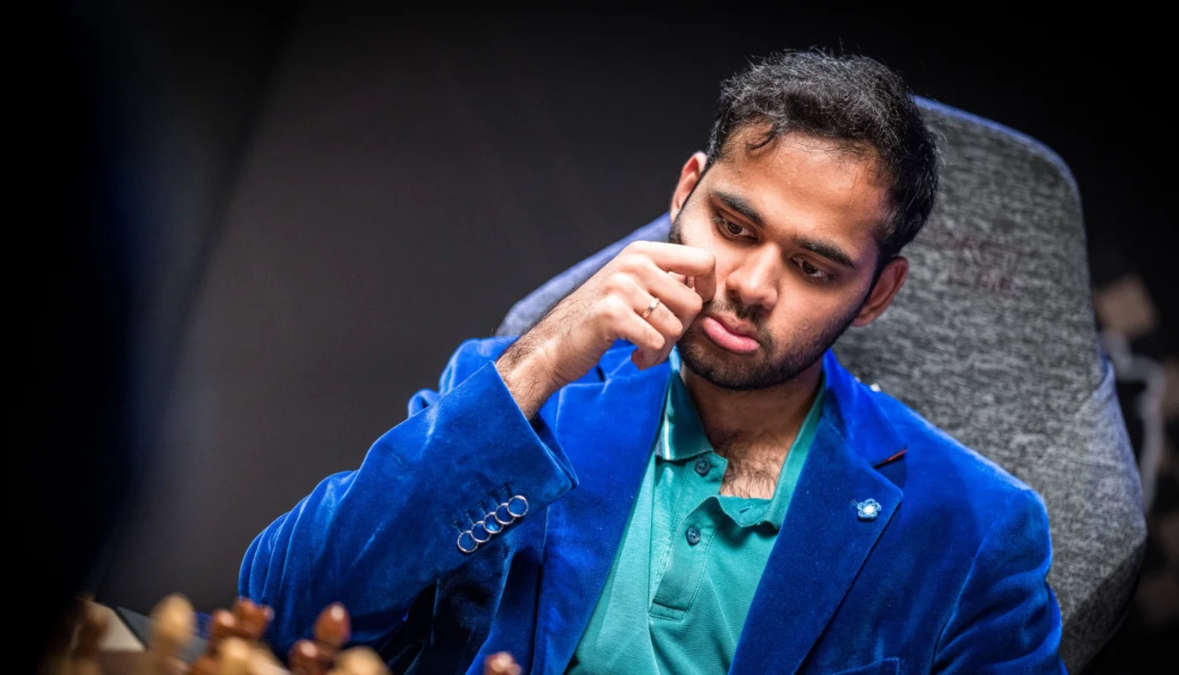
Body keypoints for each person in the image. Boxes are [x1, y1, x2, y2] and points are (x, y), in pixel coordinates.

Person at [238, 48, 1067, 674]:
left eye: (812, 267)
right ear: (686, 192)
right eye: (735, 226)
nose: (748, 284)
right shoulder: (529, 397)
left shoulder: (977, 528)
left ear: (878, 293)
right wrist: (532, 367)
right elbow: (281, 612)